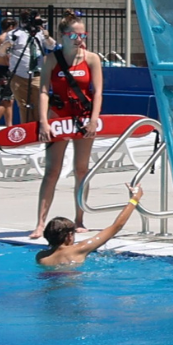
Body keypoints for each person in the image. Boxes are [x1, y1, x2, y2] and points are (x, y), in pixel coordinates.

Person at [31, 17, 105, 237]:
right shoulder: (51, 60)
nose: (79, 39)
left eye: (83, 35)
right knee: (52, 171)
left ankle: (79, 219)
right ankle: (40, 223)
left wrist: (94, 119)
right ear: (63, 35)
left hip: (83, 118)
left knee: (81, 169)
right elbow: (44, 91)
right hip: (58, 117)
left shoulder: (92, 59)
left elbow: (98, 92)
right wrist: (43, 121)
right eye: (74, 35)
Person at [38, 186, 143, 270]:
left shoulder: (41, 256)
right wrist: (135, 199)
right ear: (69, 236)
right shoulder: (78, 249)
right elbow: (117, 226)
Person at [0, 15, 29, 128]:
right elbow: (7, 57)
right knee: (5, 100)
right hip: (6, 70)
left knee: (9, 100)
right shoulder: (6, 38)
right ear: (11, 27)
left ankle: (9, 125)